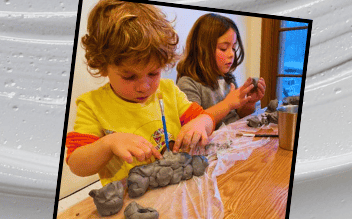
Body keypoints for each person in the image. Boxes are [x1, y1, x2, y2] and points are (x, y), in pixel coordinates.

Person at [66, 0, 215, 186]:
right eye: (129, 77)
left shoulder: (168, 91)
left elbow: (207, 119)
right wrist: (109, 143)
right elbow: (77, 165)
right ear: (103, 66)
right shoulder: (93, 105)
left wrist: (200, 124)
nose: (144, 86)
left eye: (153, 73)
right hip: (131, 201)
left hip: (178, 188)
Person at [176, 13, 264, 130]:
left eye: (233, 48)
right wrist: (227, 104)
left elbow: (238, 116)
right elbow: (194, 125)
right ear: (202, 49)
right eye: (223, 48)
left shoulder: (228, 79)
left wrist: (249, 103)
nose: (232, 54)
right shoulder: (187, 83)